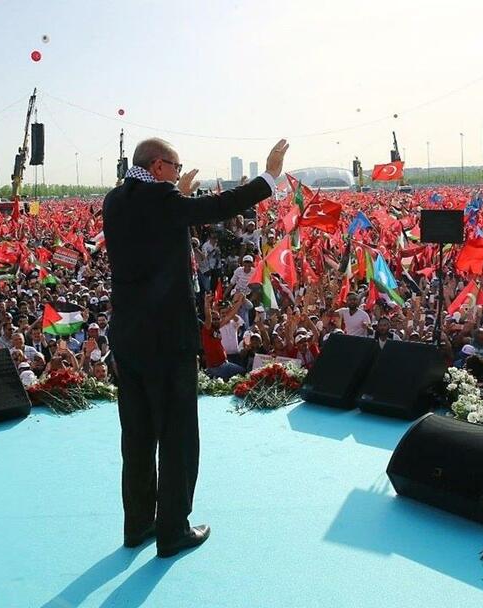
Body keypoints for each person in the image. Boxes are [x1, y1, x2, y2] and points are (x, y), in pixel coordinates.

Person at [102, 136, 288, 558]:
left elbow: (154, 220)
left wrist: (178, 196)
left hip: (127, 340)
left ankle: (138, 525)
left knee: (136, 436)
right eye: (176, 164)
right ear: (160, 166)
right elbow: (218, 207)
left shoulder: (114, 200)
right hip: (167, 342)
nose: (179, 170)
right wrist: (269, 177)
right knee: (177, 435)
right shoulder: (163, 200)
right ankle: (173, 530)